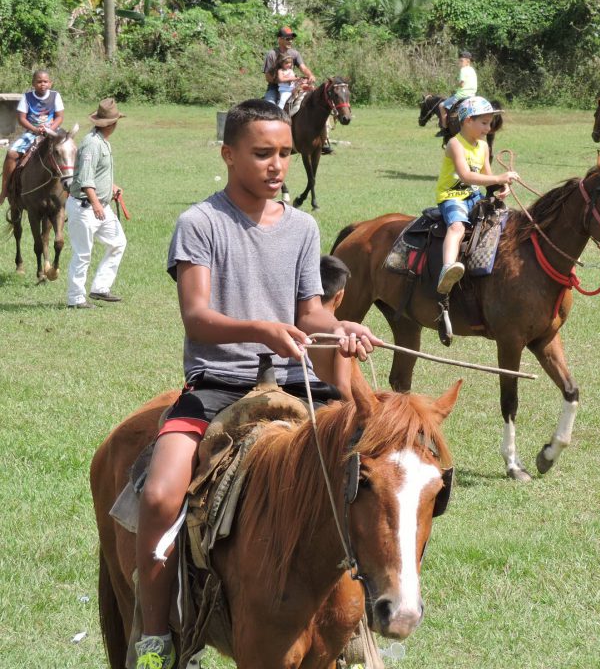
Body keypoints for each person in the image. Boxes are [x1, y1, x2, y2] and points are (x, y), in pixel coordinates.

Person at [133, 99, 380, 669]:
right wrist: (261, 330)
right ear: (228, 154)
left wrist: (340, 328)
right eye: (262, 153)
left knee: (375, 479)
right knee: (160, 495)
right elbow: (197, 317)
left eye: (286, 154)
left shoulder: (302, 226)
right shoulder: (201, 223)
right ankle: (156, 638)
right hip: (219, 384)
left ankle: (355, 622)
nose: (276, 165)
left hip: (296, 388)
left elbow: (310, 313)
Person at [435, 96, 519, 294]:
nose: (488, 128)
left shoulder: (483, 146)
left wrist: (500, 186)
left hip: (473, 196)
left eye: (489, 123)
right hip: (452, 195)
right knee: (457, 227)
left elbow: (486, 176)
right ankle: (447, 269)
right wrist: (499, 177)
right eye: (483, 123)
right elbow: (466, 176)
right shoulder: (455, 144)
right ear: (467, 121)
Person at [66, 98, 128, 309]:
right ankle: (75, 299)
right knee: (82, 254)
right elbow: (85, 179)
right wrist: (96, 204)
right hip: (86, 207)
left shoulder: (102, 141)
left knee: (118, 242)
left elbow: (96, 174)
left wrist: (111, 186)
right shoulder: (91, 144)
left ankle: (100, 288)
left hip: (99, 204)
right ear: (112, 124)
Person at [0, 69, 64, 206]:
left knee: (67, 150)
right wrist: (35, 129)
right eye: (39, 82)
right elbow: (21, 118)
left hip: (52, 131)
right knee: (11, 154)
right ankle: (5, 190)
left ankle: (74, 188)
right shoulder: (27, 97)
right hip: (31, 132)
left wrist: (49, 129)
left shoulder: (55, 96)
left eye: (45, 81)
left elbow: (59, 117)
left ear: (50, 83)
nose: (42, 84)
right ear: (33, 83)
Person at [307, 255, 353, 400]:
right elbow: (342, 388)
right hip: (324, 412)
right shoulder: (339, 335)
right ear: (339, 296)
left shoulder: (295, 323)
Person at [262, 26, 315, 105]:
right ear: (279, 39)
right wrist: (283, 80)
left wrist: (310, 75)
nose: (290, 41)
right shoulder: (271, 54)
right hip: (274, 88)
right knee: (269, 105)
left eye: (291, 39)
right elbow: (268, 77)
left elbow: (303, 68)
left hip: (292, 87)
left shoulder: (295, 53)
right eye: (287, 39)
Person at [438, 51, 477, 135]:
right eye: (459, 61)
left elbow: (462, 84)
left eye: (461, 61)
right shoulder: (472, 70)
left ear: (468, 61)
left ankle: (444, 128)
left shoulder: (463, 70)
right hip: (472, 96)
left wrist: (457, 84)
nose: (460, 63)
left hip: (461, 96)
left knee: (441, 106)